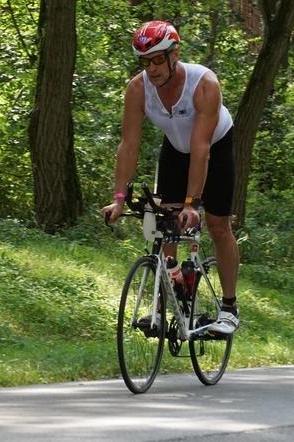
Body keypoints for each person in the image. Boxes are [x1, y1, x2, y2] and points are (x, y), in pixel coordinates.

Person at [102, 21, 239, 334]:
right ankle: (169, 299)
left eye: (158, 59)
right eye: (146, 62)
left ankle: (229, 308)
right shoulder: (137, 89)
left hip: (214, 147)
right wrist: (118, 199)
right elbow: (129, 145)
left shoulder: (204, 83)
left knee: (218, 226)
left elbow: (201, 149)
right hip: (176, 150)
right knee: (164, 221)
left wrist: (193, 203)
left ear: (174, 54)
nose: (152, 68)